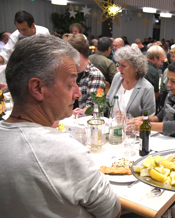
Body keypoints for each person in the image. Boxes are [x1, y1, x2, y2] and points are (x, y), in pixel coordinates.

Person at [0, 34, 121, 217]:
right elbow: (112, 212)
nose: (78, 93)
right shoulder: (64, 151)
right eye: (70, 83)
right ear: (38, 89)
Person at [106, 46, 155, 117]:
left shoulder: (147, 88)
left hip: (130, 127)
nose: (119, 68)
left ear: (136, 67)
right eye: (118, 64)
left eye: (123, 66)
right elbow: (108, 101)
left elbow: (149, 118)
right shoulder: (117, 77)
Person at [64, 34, 106, 116]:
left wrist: (81, 112)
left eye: (68, 55)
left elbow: (95, 106)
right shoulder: (68, 73)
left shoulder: (95, 75)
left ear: (77, 55)